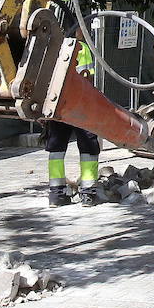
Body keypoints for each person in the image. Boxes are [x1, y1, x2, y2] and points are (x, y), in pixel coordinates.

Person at [45, 24, 109, 207]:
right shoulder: (82, 49)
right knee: (88, 146)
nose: (85, 31)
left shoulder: (52, 49)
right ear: (76, 31)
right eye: (83, 28)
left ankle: (56, 195)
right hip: (80, 105)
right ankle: (88, 193)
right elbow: (88, 80)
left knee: (56, 148)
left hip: (58, 105)